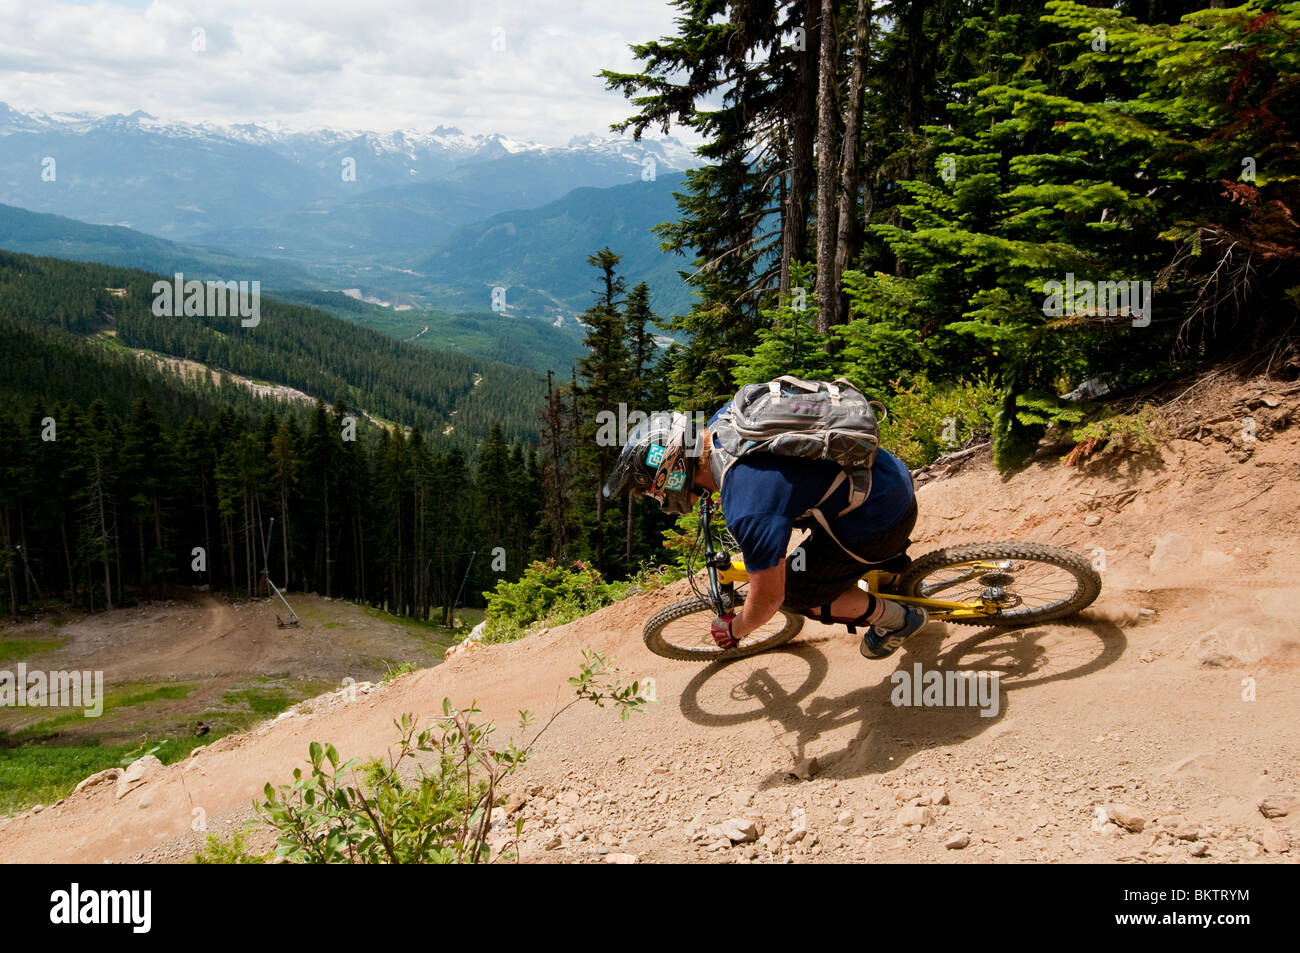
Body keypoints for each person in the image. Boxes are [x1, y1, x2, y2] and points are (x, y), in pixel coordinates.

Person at [602, 409, 927, 659]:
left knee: (798, 592)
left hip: (881, 517)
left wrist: (736, 627)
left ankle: (899, 620)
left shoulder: (746, 505)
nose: (660, 500)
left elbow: (770, 599)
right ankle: (885, 576)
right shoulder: (726, 421)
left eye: (656, 492)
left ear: (672, 475)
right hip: (884, 473)